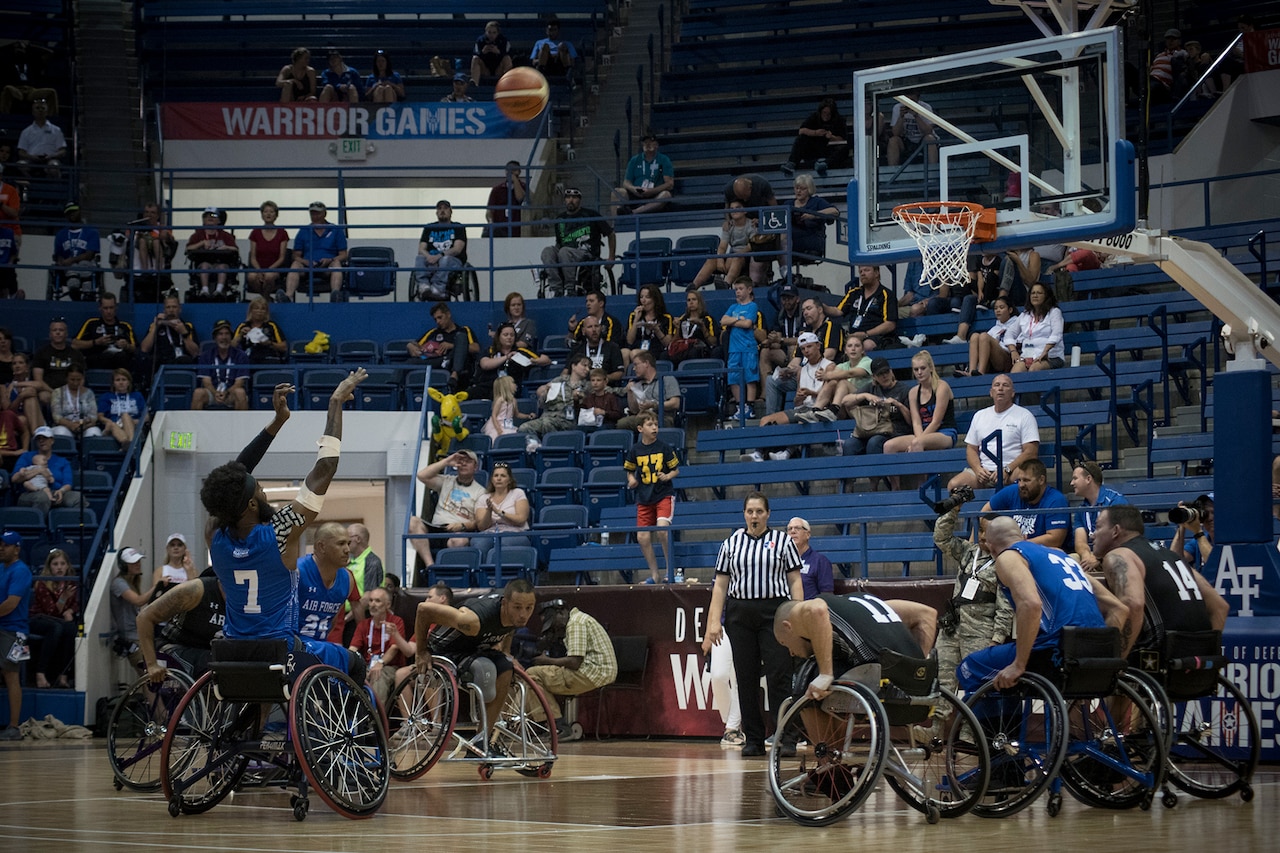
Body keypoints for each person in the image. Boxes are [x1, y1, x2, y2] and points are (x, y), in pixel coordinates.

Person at [199, 369, 367, 679]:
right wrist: (335, 403)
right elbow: (325, 467)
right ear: (251, 503)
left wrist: (277, 423)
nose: (262, 489)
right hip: (280, 649)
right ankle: (344, 728)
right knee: (355, 662)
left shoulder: (214, 535)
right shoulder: (279, 532)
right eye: (259, 488)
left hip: (232, 648)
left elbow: (235, 473)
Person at [957, 516, 1127, 692]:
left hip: (1057, 649)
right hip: (1095, 651)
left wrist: (1019, 664)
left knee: (969, 668)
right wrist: (1104, 652)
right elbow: (1119, 608)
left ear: (991, 547)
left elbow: (1031, 604)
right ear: (1023, 537)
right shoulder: (1061, 556)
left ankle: (1001, 720)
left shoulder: (1008, 557)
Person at [701, 492, 804, 756]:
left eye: (759, 511)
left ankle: (787, 737)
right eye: (750, 511)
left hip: (775, 613)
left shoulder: (782, 542)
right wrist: (713, 622)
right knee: (745, 678)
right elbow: (720, 586)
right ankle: (754, 740)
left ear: (768, 514)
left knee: (779, 675)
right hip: (740, 615)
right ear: (744, 514)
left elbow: (795, 581)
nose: (754, 516)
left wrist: (797, 614)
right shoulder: (731, 543)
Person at [1092, 504, 1228, 661]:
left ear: (1115, 531)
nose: (1092, 535)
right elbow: (1220, 607)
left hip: (1159, 657)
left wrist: (1115, 661)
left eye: (1097, 527)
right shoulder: (1174, 557)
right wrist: (1208, 654)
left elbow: (1133, 604)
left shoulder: (1119, 555)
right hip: (1198, 661)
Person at [415, 579, 538, 747]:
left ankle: (481, 741)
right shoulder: (473, 620)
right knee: (485, 668)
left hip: (474, 648)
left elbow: (508, 629)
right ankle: (480, 737)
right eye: (517, 608)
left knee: (506, 667)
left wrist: (507, 653)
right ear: (505, 603)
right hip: (445, 648)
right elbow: (423, 609)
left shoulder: (514, 615)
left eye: (529, 608)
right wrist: (421, 651)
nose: (523, 614)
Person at [926, 504, 1013, 738]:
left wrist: (998, 637)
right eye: (981, 530)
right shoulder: (968, 552)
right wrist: (953, 510)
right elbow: (941, 537)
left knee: (977, 686)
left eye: (988, 532)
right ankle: (935, 729)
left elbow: (1005, 605)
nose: (983, 536)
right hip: (953, 627)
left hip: (981, 631)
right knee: (941, 679)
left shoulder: (1005, 562)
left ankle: (969, 733)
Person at [773, 592, 937, 701]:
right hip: (919, 681)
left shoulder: (798, 614)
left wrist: (825, 674)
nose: (791, 652)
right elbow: (928, 613)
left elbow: (817, 610)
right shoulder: (863, 603)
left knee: (808, 678)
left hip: (884, 675)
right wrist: (918, 664)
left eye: (784, 643)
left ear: (788, 627)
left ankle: (826, 751)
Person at [525, 598, 618, 739]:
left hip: (591, 672)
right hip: (600, 671)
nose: (555, 627)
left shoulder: (575, 623)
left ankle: (556, 726)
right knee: (541, 674)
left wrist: (545, 661)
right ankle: (556, 724)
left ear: (561, 612)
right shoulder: (581, 619)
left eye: (554, 623)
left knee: (531, 675)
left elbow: (575, 662)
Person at [948, 374, 1040, 491]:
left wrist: (1007, 469)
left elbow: (1031, 452)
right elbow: (971, 449)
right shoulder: (979, 416)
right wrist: (978, 469)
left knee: (1025, 477)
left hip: (1013, 470)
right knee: (954, 485)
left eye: (1005, 385)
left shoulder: (1024, 415)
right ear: (991, 392)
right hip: (984, 472)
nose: (1000, 388)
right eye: (997, 385)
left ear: (1012, 393)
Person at [881, 350, 957, 478]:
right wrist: (918, 438)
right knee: (889, 446)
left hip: (945, 432)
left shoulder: (941, 387)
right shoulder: (913, 392)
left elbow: (936, 421)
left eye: (923, 368)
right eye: (916, 369)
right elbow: (916, 422)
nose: (919, 372)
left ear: (931, 368)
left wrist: (918, 441)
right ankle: (895, 488)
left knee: (917, 444)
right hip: (922, 433)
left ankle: (922, 484)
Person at [408, 449, 487, 571]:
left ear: (475, 467)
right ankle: (431, 567)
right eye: (461, 461)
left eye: (468, 461)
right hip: (436, 528)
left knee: (459, 541)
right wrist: (446, 461)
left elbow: (480, 522)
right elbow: (421, 475)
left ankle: (448, 572)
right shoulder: (447, 480)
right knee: (412, 522)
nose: (464, 464)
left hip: (458, 530)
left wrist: (461, 526)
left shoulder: (481, 492)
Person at [624, 413, 680, 584]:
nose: (654, 427)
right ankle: (655, 574)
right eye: (650, 424)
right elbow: (629, 470)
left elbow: (676, 470)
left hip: (663, 494)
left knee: (663, 530)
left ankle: (671, 571)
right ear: (640, 429)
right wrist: (631, 479)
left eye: (656, 424)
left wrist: (667, 476)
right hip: (644, 497)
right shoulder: (635, 450)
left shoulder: (664, 447)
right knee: (642, 537)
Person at [541, 188, 616, 298]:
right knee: (547, 251)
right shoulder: (560, 219)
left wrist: (611, 257)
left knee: (564, 252)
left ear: (579, 200)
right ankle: (557, 289)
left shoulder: (591, 215)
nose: (571, 200)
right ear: (565, 200)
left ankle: (570, 288)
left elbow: (611, 234)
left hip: (586, 253)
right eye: (568, 197)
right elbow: (559, 242)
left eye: (574, 197)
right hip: (565, 251)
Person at [981, 459, 1070, 549]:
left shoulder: (1056, 500)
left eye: (1026, 480)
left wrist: (1018, 544)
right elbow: (985, 511)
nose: (1021, 485)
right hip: (1014, 550)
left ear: (1041, 480)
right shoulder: (1013, 491)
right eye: (1019, 480)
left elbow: (1055, 539)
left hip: (1045, 552)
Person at [758, 332, 833, 436]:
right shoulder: (801, 371)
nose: (806, 351)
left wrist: (810, 393)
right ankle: (762, 452)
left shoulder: (829, 366)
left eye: (809, 346)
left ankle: (787, 451)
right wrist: (799, 398)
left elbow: (829, 396)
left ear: (818, 346)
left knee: (801, 422)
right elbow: (797, 404)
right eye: (803, 349)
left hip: (820, 409)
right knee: (765, 421)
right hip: (802, 410)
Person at [840, 357, 912, 458]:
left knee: (874, 443)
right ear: (874, 377)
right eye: (880, 374)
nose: (884, 376)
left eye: (886, 372)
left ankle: (876, 474)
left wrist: (898, 404)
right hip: (870, 430)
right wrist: (865, 396)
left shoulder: (904, 390)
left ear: (891, 371)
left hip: (894, 432)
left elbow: (911, 421)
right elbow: (845, 401)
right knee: (849, 445)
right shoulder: (871, 388)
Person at [349, 586, 409, 705]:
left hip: (389, 666)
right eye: (371, 600)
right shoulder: (364, 624)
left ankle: (374, 719)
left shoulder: (396, 622)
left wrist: (380, 663)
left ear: (387, 605)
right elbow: (353, 648)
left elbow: (394, 648)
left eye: (377, 601)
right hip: (368, 665)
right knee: (352, 675)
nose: (372, 604)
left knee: (378, 677)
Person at [0, 529, 33, 739]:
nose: (1, 548)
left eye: (6, 545)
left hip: (14, 630)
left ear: (17, 548)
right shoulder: (1, 569)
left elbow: (11, 604)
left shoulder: (20, 571)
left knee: (11, 675)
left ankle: (14, 726)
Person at [29, 547, 77, 689]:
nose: (59, 568)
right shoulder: (42, 583)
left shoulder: (71, 582)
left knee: (71, 630)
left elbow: (77, 604)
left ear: (67, 565)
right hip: (38, 618)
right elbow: (50, 611)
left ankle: (64, 675)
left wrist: (70, 610)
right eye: (55, 564)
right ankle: (40, 673)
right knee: (55, 628)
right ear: (49, 567)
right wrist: (64, 598)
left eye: (62, 564)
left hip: (59, 620)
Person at [282, 201, 347, 302]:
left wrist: (330, 259)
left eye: (318, 213)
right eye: (312, 213)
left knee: (337, 264)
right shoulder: (303, 231)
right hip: (308, 267)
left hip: (327, 267)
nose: (315, 216)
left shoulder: (335, 230)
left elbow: (343, 254)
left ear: (324, 214)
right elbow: (295, 255)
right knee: (295, 264)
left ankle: (335, 296)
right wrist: (305, 262)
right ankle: (288, 296)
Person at [408, 302, 479, 392]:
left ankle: (454, 373)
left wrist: (451, 346)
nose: (438, 322)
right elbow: (417, 344)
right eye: (435, 319)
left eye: (440, 317)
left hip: (459, 365)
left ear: (448, 314)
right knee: (410, 362)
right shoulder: (434, 332)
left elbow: (476, 348)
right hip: (439, 362)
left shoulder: (464, 330)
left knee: (461, 338)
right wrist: (410, 345)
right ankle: (391, 384)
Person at [1069, 462, 1128, 571]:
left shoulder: (1115, 501)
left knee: (1113, 561)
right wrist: (1086, 555)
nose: (1071, 483)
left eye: (1075, 478)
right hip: (1091, 554)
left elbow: (1122, 540)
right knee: (1070, 560)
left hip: (1114, 553)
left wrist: (1098, 558)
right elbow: (1080, 541)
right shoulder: (1081, 509)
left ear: (1088, 479)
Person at [723, 174, 779, 286]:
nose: (744, 200)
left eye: (745, 196)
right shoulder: (729, 190)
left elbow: (775, 209)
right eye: (741, 198)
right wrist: (728, 221)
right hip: (738, 245)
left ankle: (754, 282)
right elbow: (727, 207)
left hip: (761, 224)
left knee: (759, 249)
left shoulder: (762, 185)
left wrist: (763, 222)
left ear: (750, 188)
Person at [471, 321, 548, 401]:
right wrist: (506, 357)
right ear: (499, 337)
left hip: (511, 387)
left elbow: (546, 359)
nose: (509, 337)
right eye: (505, 335)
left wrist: (533, 361)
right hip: (489, 386)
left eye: (512, 335)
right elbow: (485, 364)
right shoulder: (490, 350)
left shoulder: (521, 351)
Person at [829, 264, 898, 353]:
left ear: (877, 273)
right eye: (860, 271)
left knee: (866, 345)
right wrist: (821, 307)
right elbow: (838, 311)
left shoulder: (886, 294)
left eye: (866, 270)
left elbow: (890, 324)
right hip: (853, 336)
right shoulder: (854, 293)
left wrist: (865, 334)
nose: (862, 273)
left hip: (877, 336)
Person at [721, 278, 765, 415]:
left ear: (749, 289)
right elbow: (723, 320)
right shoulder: (733, 307)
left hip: (748, 347)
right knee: (733, 378)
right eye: (736, 289)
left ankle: (749, 407)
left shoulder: (752, 306)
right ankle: (740, 407)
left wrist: (733, 321)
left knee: (749, 377)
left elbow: (748, 324)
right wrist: (738, 320)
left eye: (741, 289)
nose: (738, 292)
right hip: (733, 349)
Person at [474, 461, 532, 564]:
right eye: (496, 476)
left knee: (503, 543)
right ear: (492, 479)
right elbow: (482, 527)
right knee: (479, 543)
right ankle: (485, 576)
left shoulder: (518, 493)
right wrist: (489, 510)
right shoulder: (484, 498)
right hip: (489, 533)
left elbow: (521, 519)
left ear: (509, 480)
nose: (499, 478)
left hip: (514, 533)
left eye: (503, 476)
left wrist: (499, 512)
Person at [12, 426, 80, 514]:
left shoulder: (62, 461)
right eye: (38, 439)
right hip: (31, 493)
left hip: (55, 492)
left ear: (52, 440)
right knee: (43, 498)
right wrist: (39, 471)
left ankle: (68, 525)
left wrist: (61, 491)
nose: (41, 441)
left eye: (45, 438)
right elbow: (14, 478)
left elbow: (68, 483)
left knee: (77, 498)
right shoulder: (26, 457)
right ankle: (38, 525)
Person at [520, 354, 591, 437]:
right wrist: (546, 393)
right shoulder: (559, 380)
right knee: (524, 428)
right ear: (573, 366)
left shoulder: (587, 386)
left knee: (547, 424)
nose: (587, 369)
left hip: (567, 420)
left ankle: (551, 444)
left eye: (589, 367)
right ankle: (536, 445)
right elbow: (542, 404)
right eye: (584, 365)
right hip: (548, 416)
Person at [691, 200, 756, 289]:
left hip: (745, 257)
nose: (734, 211)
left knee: (737, 258)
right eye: (732, 209)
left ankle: (726, 284)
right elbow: (722, 246)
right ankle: (693, 286)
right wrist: (720, 259)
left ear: (745, 211)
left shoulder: (751, 225)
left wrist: (737, 255)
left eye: (738, 208)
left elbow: (751, 246)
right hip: (731, 256)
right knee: (712, 259)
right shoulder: (728, 226)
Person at [110, 548, 157, 670]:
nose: (138, 564)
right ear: (124, 566)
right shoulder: (119, 583)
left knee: (150, 677)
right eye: (133, 562)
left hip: (137, 635)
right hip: (130, 637)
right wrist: (157, 586)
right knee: (149, 677)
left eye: (138, 561)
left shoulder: (133, 583)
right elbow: (138, 600)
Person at [955, 294, 1020, 378]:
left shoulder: (1017, 323)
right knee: (974, 336)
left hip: (1007, 358)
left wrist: (997, 343)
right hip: (992, 360)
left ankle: (981, 371)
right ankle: (971, 371)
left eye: (1001, 307)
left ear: (1010, 310)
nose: (998, 310)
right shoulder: (995, 328)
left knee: (984, 336)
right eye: (996, 308)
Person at [191, 319, 250, 410]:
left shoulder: (241, 356)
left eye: (227, 334)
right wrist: (215, 393)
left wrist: (226, 392)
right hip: (212, 392)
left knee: (240, 392)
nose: (224, 337)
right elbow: (206, 382)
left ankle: (242, 424)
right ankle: (194, 424)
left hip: (231, 393)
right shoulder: (206, 355)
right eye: (220, 334)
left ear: (231, 336)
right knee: (198, 393)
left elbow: (239, 382)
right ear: (215, 337)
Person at [782, 97, 849, 175]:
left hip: (830, 149)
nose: (826, 116)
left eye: (829, 114)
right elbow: (801, 131)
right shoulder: (814, 117)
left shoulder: (839, 120)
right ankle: (792, 164)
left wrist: (831, 137)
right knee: (800, 139)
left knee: (844, 149)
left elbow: (843, 140)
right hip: (814, 149)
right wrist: (815, 133)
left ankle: (825, 164)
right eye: (824, 113)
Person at [617, 350, 680, 430]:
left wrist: (654, 405)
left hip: (662, 416)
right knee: (622, 423)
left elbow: (675, 403)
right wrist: (630, 392)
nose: (634, 368)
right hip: (643, 416)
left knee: (658, 423)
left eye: (636, 365)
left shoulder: (667, 379)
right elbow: (634, 410)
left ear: (646, 363)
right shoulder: (637, 383)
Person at [72, 292, 136, 371]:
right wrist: (96, 342)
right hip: (98, 360)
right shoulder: (91, 323)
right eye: (105, 308)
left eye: (111, 308)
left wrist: (126, 346)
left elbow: (136, 349)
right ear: (100, 308)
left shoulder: (125, 326)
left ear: (116, 307)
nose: (109, 311)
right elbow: (74, 344)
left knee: (124, 357)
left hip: (120, 362)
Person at [1009, 282, 1064, 373]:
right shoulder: (1025, 315)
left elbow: (1057, 334)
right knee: (1016, 371)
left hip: (1051, 357)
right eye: (1033, 293)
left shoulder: (1054, 312)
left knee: (1034, 369)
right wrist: (1013, 351)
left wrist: (1045, 351)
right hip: (1028, 355)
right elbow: (1010, 333)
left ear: (1046, 296)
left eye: (1039, 293)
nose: (1035, 295)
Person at [184, 206, 238, 298]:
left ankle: (219, 291)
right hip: (204, 263)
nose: (210, 217)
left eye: (213, 215)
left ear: (219, 220)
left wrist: (225, 247)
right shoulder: (197, 235)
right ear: (203, 220)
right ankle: (204, 291)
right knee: (204, 266)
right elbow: (188, 249)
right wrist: (201, 243)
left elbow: (235, 249)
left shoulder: (225, 235)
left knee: (222, 267)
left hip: (220, 263)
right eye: (206, 216)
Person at [615, 133, 675, 215]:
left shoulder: (664, 159)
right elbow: (626, 182)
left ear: (656, 145)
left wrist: (652, 191)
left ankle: (634, 212)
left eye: (650, 142)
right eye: (645, 142)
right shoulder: (635, 160)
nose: (648, 144)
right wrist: (634, 189)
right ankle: (616, 224)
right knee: (617, 192)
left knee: (666, 195)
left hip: (655, 194)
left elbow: (669, 184)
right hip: (636, 194)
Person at [52, 201, 101, 297]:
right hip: (68, 268)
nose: (72, 214)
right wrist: (61, 261)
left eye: (74, 211)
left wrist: (71, 260)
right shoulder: (61, 234)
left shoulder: (92, 232)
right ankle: (74, 290)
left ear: (80, 211)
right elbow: (58, 255)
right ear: (66, 215)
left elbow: (89, 255)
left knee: (83, 264)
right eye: (69, 212)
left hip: (86, 264)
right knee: (71, 267)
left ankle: (87, 293)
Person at [139, 291, 199, 368]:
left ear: (180, 309)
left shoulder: (188, 326)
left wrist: (184, 334)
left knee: (186, 360)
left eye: (174, 307)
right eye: (168, 307)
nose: (171, 310)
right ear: (164, 310)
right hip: (162, 363)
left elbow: (195, 353)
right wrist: (155, 327)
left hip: (181, 363)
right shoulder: (155, 326)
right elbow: (144, 349)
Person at [245, 200, 289, 297]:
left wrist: (268, 270)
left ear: (276, 215)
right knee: (251, 277)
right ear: (262, 214)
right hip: (258, 268)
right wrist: (259, 271)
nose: (268, 214)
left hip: (275, 269)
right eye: (265, 211)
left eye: (271, 212)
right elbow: (253, 257)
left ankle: (263, 300)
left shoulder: (282, 233)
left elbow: (282, 257)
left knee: (269, 276)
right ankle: (266, 298)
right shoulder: (255, 232)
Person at [789, 174, 838, 261]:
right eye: (797, 188)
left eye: (802, 189)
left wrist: (813, 215)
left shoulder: (817, 202)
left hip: (812, 239)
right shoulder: (788, 204)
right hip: (792, 239)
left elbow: (835, 211)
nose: (798, 191)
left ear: (809, 189)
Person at [623, 284, 674, 365]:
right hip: (638, 346)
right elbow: (630, 341)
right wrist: (636, 319)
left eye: (647, 297)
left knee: (634, 353)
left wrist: (656, 330)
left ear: (655, 299)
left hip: (656, 349)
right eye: (641, 297)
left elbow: (668, 343)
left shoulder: (666, 317)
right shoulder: (633, 316)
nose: (643, 300)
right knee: (624, 352)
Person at [50, 366, 102, 441]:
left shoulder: (89, 393)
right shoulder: (57, 393)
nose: (75, 383)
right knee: (61, 432)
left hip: (85, 426)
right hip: (64, 425)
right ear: (66, 378)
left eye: (78, 380)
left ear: (83, 378)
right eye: (72, 380)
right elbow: (56, 416)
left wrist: (82, 424)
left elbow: (93, 416)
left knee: (94, 432)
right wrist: (70, 425)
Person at [96, 368, 145, 447]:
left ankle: (129, 444)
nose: (121, 382)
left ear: (129, 382)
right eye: (118, 380)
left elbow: (146, 417)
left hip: (134, 425)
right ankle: (130, 446)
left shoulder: (137, 395)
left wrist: (133, 421)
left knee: (125, 415)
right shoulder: (106, 396)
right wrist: (109, 422)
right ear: (113, 383)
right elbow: (100, 416)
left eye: (124, 380)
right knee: (112, 425)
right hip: (114, 425)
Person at [33, 317, 85, 391]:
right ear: (50, 334)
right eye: (54, 330)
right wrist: (54, 393)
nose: (58, 332)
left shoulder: (76, 354)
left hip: (71, 392)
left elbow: (82, 378)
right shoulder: (41, 353)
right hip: (49, 391)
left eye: (61, 330)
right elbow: (38, 380)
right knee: (43, 396)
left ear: (66, 334)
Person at [16, 99, 65, 178]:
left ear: (47, 111)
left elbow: (62, 150)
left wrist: (52, 156)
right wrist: (31, 157)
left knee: (54, 165)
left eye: (43, 108)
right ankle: (31, 184)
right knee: (21, 164)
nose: (40, 110)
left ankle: (53, 187)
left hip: (50, 159)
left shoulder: (56, 130)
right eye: (37, 108)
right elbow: (21, 152)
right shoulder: (26, 131)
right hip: (31, 160)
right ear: (33, 112)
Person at [786, 517, 833, 600]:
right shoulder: (782, 560)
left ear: (807, 534)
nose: (792, 531)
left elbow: (827, 596)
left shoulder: (820, 561)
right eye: (789, 529)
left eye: (797, 528)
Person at [670, 288, 719, 365]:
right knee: (665, 355)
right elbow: (673, 342)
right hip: (684, 348)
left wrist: (702, 327)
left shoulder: (707, 319)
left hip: (700, 348)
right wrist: (677, 327)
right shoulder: (682, 319)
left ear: (699, 302)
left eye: (694, 299)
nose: (691, 302)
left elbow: (713, 342)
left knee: (693, 352)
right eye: (688, 300)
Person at [569, 314, 624, 384]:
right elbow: (566, 371)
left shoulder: (613, 347)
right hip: (582, 387)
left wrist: (601, 379)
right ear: (583, 331)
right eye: (590, 327)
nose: (594, 330)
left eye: (596, 326)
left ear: (601, 328)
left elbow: (619, 373)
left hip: (606, 388)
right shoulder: (577, 350)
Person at [887, 91, 938, 166]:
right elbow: (895, 133)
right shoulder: (897, 108)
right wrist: (901, 117)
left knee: (930, 139)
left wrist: (916, 116)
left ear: (918, 99)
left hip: (922, 140)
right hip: (906, 141)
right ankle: (892, 172)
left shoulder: (926, 107)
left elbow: (928, 131)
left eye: (912, 101)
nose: (909, 104)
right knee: (893, 141)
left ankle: (933, 170)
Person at [234, 296, 288, 364]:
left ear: (266, 312)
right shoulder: (243, 326)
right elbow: (231, 346)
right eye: (256, 308)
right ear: (251, 310)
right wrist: (240, 335)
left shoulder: (271, 326)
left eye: (263, 309)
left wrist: (269, 343)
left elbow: (284, 347)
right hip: (247, 360)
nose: (259, 311)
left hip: (268, 359)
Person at [1170, 493, 1215, 568]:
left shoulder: (1229, 542)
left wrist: (1198, 532)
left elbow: (1215, 564)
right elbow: (1174, 560)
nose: (1209, 518)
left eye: (1213, 513)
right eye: (1206, 514)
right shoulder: (1197, 542)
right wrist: (1183, 523)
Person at [485, 161, 527, 238]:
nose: (510, 173)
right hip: (500, 228)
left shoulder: (524, 187)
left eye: (514, 170)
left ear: (519, 172)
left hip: (517, 228)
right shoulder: (497, 190)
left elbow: (520, 198)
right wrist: (491, 222)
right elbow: (489, 210)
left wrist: (515, 181)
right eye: (508, 170)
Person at [346, 522, 384, 604]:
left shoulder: (372, 561)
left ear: (358, 539)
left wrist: (348, 617)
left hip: (361, 613)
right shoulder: (349, 562)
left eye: (348, 539)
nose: (346, 543)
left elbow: (369, 596)